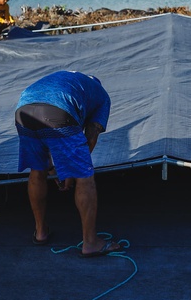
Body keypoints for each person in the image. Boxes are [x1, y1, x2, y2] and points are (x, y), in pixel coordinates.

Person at [15, 70, 121, 257]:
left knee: (37, 169)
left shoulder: (69, 80)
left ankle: (40, 232)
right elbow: (90, 137)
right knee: (85, 176)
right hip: (57, 110)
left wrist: (53, 168)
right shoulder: (101, 96)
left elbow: (46, 138)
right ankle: (90, 243)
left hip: (23, 109)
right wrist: (72, 171)